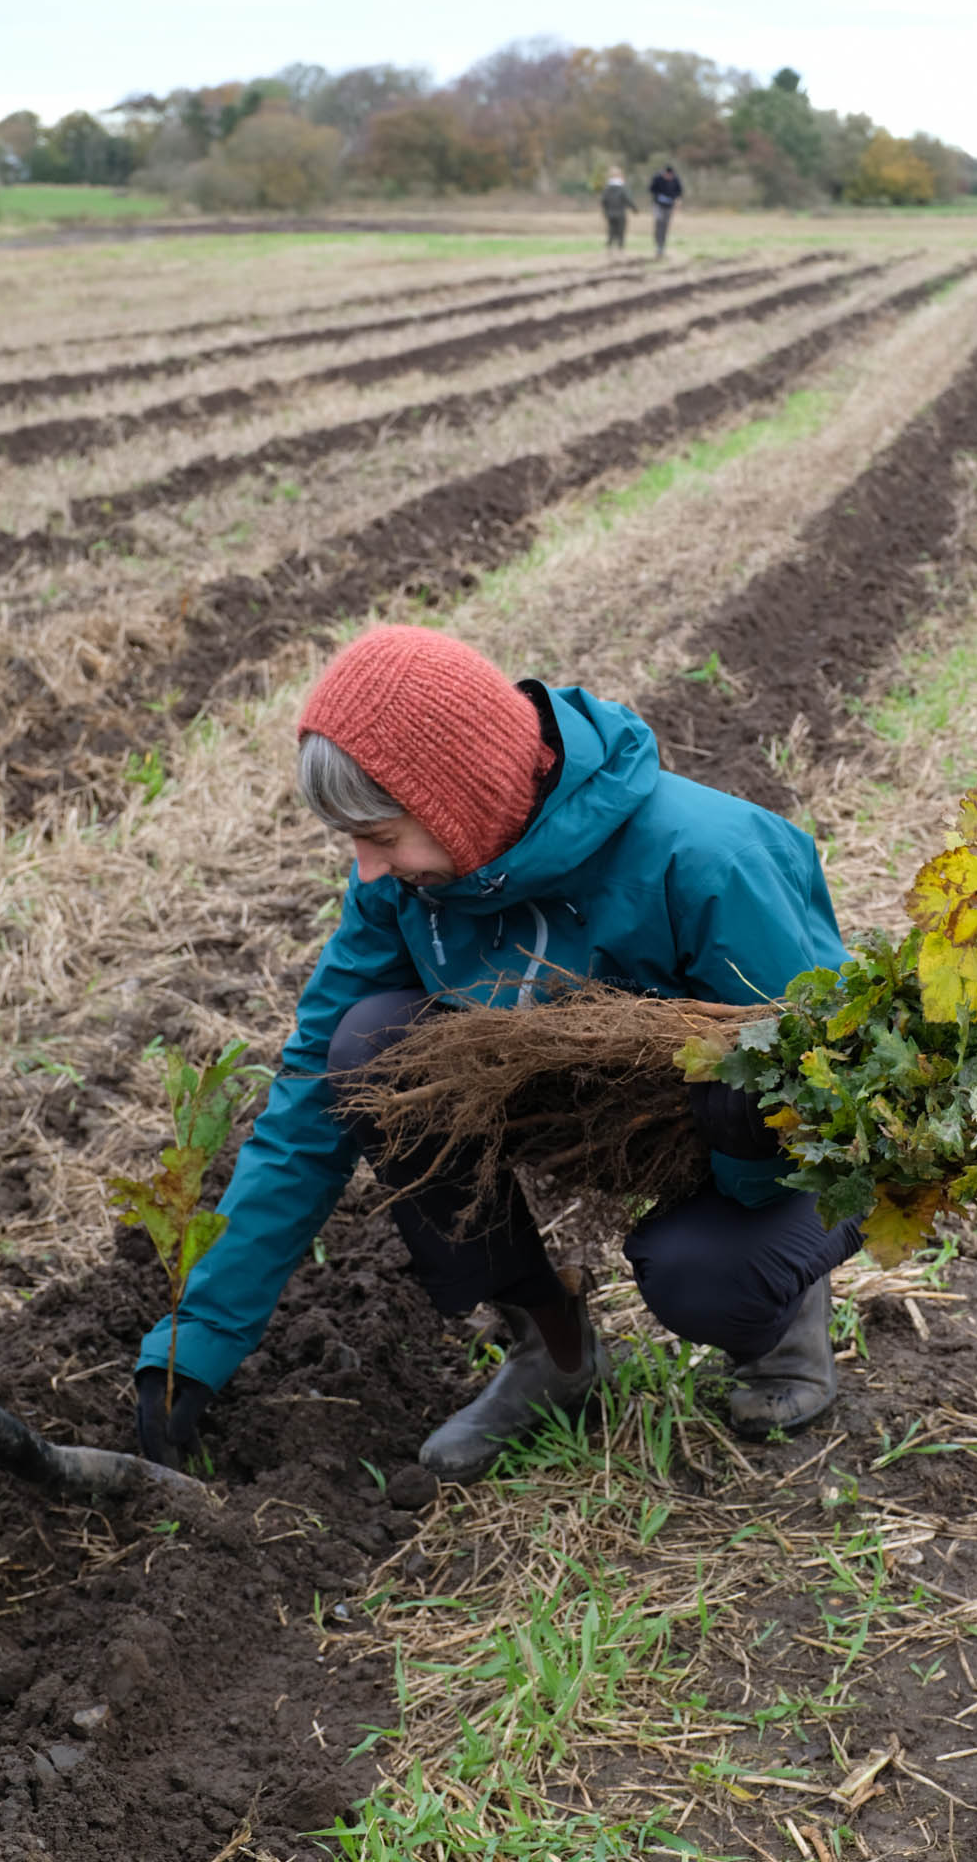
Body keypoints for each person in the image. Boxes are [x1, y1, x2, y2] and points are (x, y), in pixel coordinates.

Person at [134, 626, 861, 1485]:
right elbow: (305, 1108)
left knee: (702, 1279)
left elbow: (838, 1104)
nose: (367, 870)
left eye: (382, 834)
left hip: (759, 1150)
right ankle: (555, 1353)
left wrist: (746, 1143)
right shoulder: (411, 887)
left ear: (461, 796)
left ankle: (782, 1336)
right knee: (372, 1048)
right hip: (588, 1116)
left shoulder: (709, 859)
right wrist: (200, 1339)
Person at [648, 163, 684, 258]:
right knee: (659, 222)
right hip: (658, 205)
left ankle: (662, 247)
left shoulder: (675, 179)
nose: (669, 177)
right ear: (664, 173)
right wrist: (658, 196)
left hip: (669, 206)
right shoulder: (657, 178)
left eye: (670, 176)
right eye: (667, 176)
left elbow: (679, 191)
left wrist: (677, 200)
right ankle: (657, 244)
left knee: (665, 225)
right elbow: (651, 189)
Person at [600, 168, 637, 250]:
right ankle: (620, 249)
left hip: (610, 213)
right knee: (621, 231)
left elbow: (603, 201)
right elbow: (628, 199)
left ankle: (609, 248)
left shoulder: (607, 188)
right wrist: (634, 208)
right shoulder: (622, 187)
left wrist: (605, 211)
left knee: (611, 231)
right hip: (620, 213)